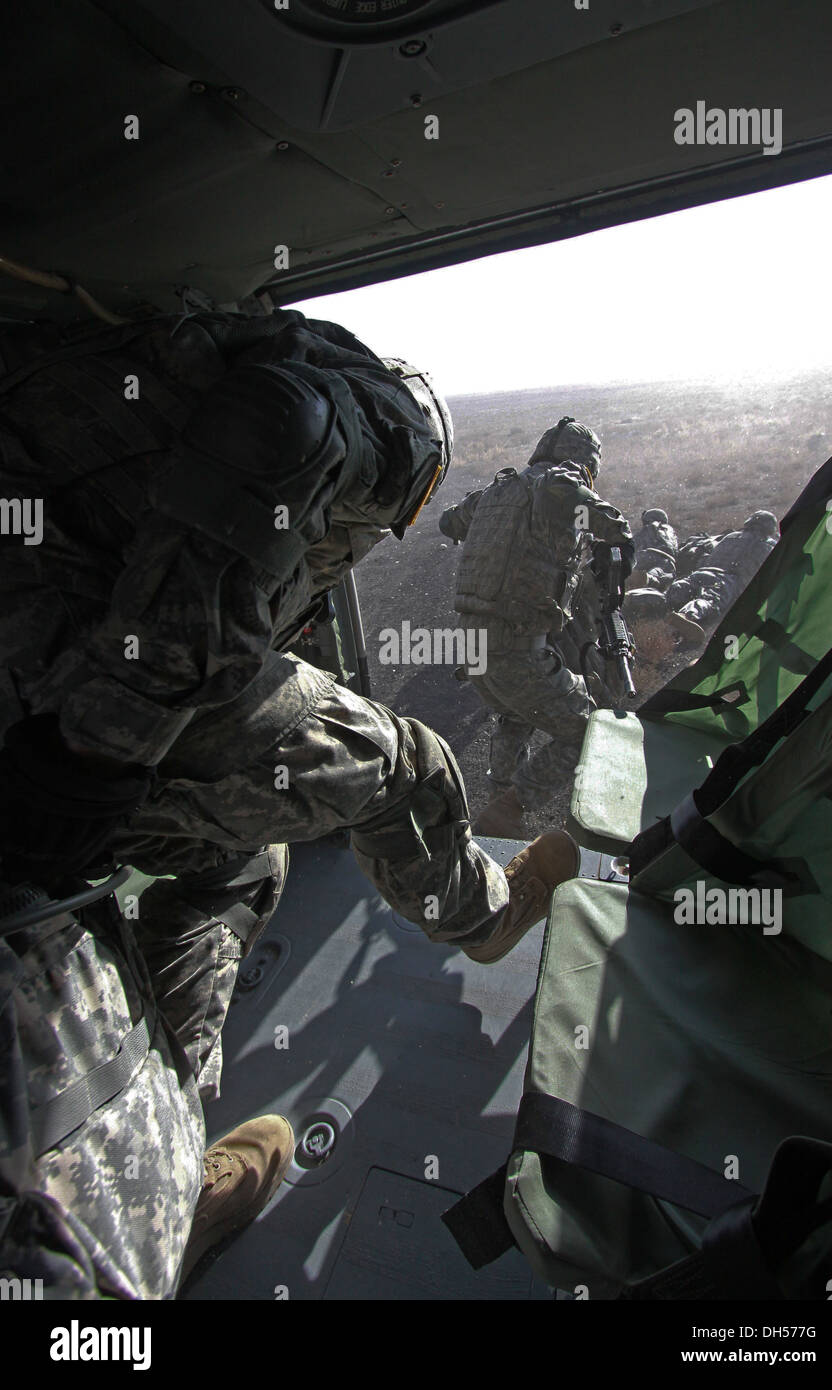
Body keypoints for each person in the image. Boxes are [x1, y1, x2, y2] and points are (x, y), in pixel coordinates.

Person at [0, 308, 578, 1297]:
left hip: (45, 655)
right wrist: (95, 752)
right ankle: (480, 915)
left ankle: (163, 1161)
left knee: (235, 859)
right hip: (51, 702)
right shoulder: (376, 410)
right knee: (401, 760)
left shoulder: (123, 370)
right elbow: (287, 419)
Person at [439, 416, 634, 837]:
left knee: (515, 714)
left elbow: (449, 522)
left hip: (472, 648)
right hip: (515, 649)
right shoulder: (557, 484)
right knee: (587, 730)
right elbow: (612, 525)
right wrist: (615, 546)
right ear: (584, 463)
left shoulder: (496, 490)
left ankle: (497, 812)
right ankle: (510, 808)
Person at [666, 510, 779, 644]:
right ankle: (687, 615)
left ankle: (648, 601)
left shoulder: (730, 536)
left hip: (703, 572)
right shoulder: (769, 546)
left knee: (677, 590)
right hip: (729, 580)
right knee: (710, 600)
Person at [628, 507, 679, 591]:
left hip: (645, 555)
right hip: (666, 559)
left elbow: (632, 544)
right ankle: (648, 578)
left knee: (628, 569)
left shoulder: (650, 527)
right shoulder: (671, 532)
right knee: (660, 572)